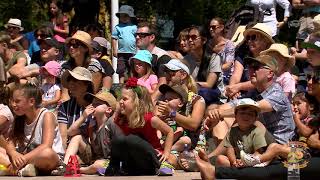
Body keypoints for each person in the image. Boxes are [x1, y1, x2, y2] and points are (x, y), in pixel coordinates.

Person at [105, 77, 175, 176]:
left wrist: (166, 153)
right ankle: (113, 167)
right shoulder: (121, 120)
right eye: (120, 99)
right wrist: (116, 112)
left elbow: (169, 131)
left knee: (131, 139)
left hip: (152, 159)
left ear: (136, 102)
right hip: (134, 161)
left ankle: (163, 165)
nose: (120, 102)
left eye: (124, 99)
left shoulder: (149, 118)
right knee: (118, 140)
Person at [1, 82, 64, 176]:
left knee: (47, 153)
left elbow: (46, 145)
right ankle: (23, 169)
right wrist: (13, 153)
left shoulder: (47, 115)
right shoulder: (19, 117)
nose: (13, 104)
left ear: (31, 102)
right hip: (24, 157)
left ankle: (15, 169)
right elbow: (10, 141)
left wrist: (24, 159)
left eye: (17, 101)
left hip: (46, 158)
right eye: (12, 101)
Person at [63, 91, 117, 175]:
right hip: (93, 158)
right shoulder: (92, 123)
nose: (92, 106)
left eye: (97, 104)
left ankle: (80, 170)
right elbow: (70, 132)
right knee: (77, 137)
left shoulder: (111, 124)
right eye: (92, 103)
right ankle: (65, 166)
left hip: (109, 161)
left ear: (109, 109)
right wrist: (83, 117)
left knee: (97, 165)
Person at [215, 98, 277, 168]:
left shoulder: (256, 131)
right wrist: (234, 161)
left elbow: (258, 152)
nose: (246, 116)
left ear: (255, 118)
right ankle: (238, 170)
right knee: (220, 159)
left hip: (253, 160)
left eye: (250, 114)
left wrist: (245, 161)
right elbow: (230, 149)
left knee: (262, 159)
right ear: (235, 116)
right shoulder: (232, 131)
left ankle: (243, 172)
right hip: (238, 160)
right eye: (242, 113)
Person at [226, 23, 274, 100]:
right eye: (248, 38)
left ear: (265, 41)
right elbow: (235, 75)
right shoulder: (243, 54)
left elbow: (260, 82)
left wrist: (238, 87)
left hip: (261, 97)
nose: (249, 41)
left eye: (253, 37)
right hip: (240, 94)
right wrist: (232, 90)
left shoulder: (271, 59)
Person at [61, 30, 105, 100]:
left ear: (85, 48)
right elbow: (65, 94)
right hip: (71, 103)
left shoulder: (94, 65)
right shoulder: (65, 66)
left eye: (75, 45)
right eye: (70, 45)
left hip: (91, 102)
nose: (71, 48)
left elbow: (92, 93)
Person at [57, 67, 94, 149]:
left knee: (77, 138)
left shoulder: (96, 106)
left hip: (89, 149)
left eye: (76, 80)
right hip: (69, 150)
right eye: (70, 80)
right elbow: (63, 135)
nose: (71, 84)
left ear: (86, 85)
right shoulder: (64, 107)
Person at [157, 84, 191, 152]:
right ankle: (161, 146)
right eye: (165, 99)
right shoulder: (163, 113)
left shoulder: (182, 114)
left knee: (186, 140)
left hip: (178, 142)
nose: (166, 101)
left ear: (180, 103)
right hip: (164, 139)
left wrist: (171, 113)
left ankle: (166, 149)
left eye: (170, 99)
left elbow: (188, 125)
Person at [112, 5, 137, 83]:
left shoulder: (134, 27)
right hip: (121, 52)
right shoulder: (117, 27)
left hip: (132, 52)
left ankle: (132, 83)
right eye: (122, 16)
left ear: (130, 16)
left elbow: (138, 39)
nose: (124, 17)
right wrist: (114, 50)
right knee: (121, 69)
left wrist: (138, 49)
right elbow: (114, 39)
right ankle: (121, 83)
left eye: (126, 15)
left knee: (132, 68)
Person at [208, 17, 235, 85]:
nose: (211, 29)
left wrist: (213, 69)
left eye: (213, 27)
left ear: (221, 27)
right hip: (209, 76)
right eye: (210, 27)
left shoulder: (229, 45)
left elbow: (228, 65)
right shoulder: (208, 44)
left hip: (224, 78)